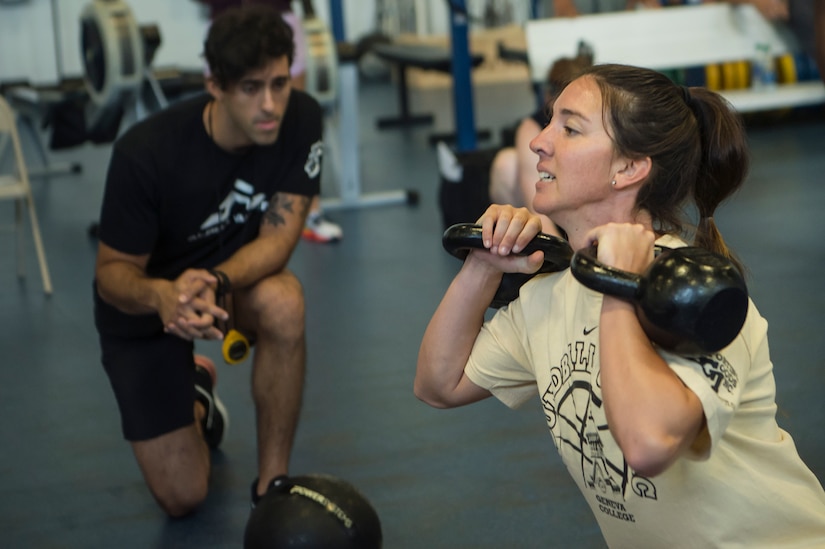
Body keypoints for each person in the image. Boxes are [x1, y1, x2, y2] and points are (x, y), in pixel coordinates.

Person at [416, 63, 825, 545]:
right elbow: (438, 384)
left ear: (628, 169)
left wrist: (617, 286)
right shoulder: (551, 291)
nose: (538, 141)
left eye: (569, 128)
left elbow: (649, 444)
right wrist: (484, 264)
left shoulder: (695, 291)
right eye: (550, 120)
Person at [93, 5, 319, 517]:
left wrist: (214, 280)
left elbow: (279, 241)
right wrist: (162, 295)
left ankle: (272, 483)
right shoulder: (144, 154)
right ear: (214, 84)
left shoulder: (301, 117)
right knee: (184, 497)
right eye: (250, 87)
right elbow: (110, 275)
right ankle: (196, 393)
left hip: (226, 280)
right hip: (146, 304)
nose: (270, 105)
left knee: (285, 301)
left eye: (280, 83)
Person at [195, 0, 343, 243]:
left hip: (278, 20)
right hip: (227, 25)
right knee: (228, 125)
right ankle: (225, 213)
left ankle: (311, 212)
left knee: (292, 118)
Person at [488, 53, 591, 236]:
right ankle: (519, 237)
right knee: (506, 164)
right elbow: (537, 208)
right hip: (549, 214)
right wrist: (566, 260)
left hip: (583, 212)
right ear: (549, 97)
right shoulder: (531, 127)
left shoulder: (596, 124)